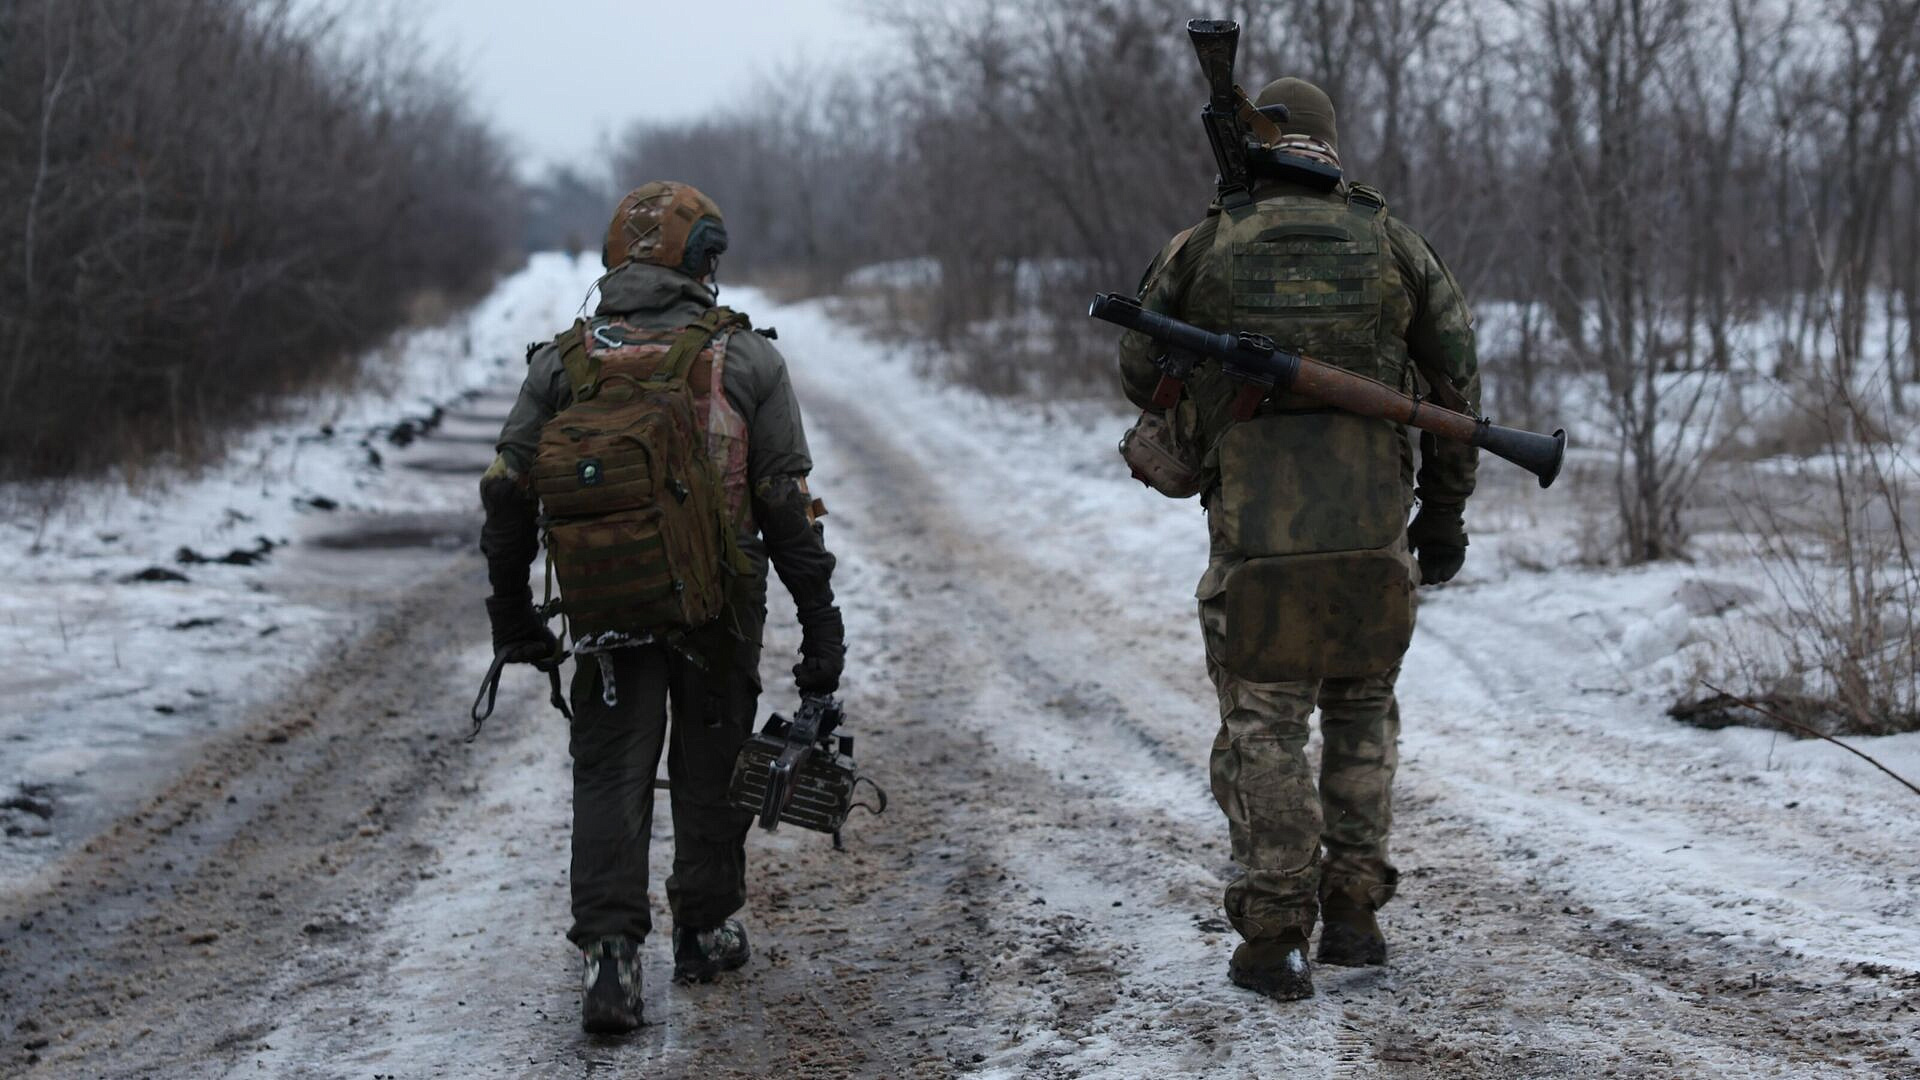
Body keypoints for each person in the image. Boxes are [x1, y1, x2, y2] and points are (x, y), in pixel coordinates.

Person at [1117, 78, 1481, 1001]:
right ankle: (1355, 913)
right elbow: (1457, 390)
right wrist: (1441, 517)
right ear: (1328, 145)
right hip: (1371, 535)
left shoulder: (1206, 242)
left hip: (1257, 539)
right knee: (1360, 715)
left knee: (1265, 726)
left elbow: (1136, 370)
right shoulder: (1392, 240)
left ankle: (1277, 933)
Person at [479, 181, 845, 1033]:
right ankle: (705, 930)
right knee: (711, 767)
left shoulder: (563, 362)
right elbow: (787, 507)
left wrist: (512, 613)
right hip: (719, 609)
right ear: (702, 261)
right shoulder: (748, 361)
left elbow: (505, 490)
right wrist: (821, 632)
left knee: (610, 770)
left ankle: (610, 961)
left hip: (607, 605)